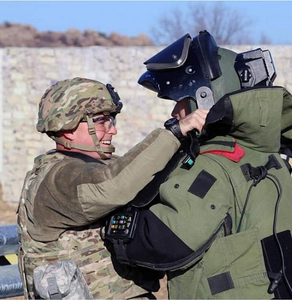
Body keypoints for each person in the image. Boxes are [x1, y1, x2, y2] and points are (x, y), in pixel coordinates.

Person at [102, 30, 292, 299]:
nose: (173, 111)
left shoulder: (212, 165)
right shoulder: (268, 154)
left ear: (204, 98)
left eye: (179, 98)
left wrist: (113, 224)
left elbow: (165, 242)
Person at [17, 77, 208, 299]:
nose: (112, 131)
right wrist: (175, 131)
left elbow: (140, 176)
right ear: (67, 127)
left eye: (112, 120)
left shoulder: (103, 166)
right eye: (100, 121)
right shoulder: (56, 179)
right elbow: (112, 186)